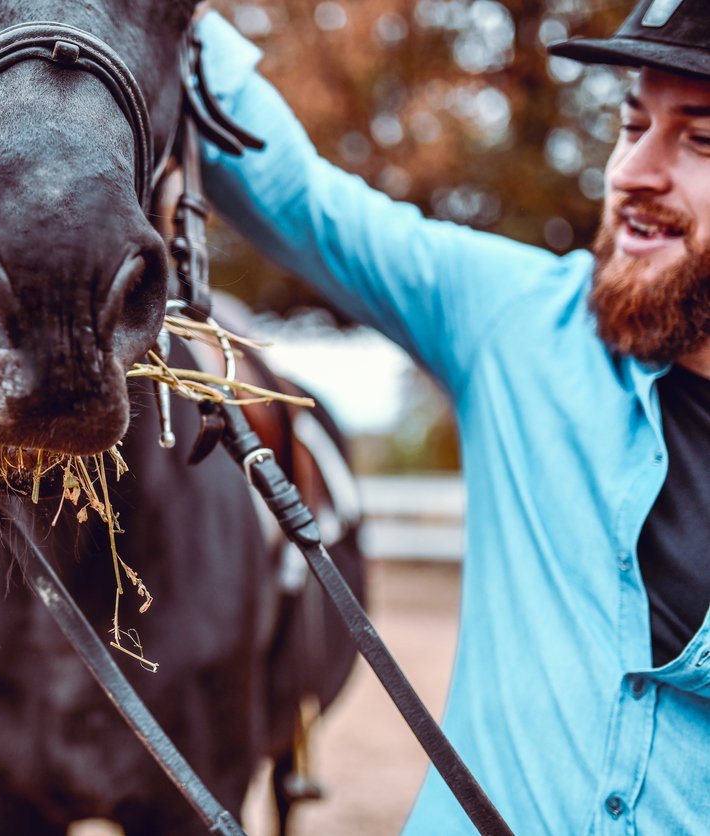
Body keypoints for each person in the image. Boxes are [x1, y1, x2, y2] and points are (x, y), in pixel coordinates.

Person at [197, 1, 709, 833]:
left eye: (700, 140)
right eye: (630, 125)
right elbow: (302, 199)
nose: (632, 173)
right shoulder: (518, 324)